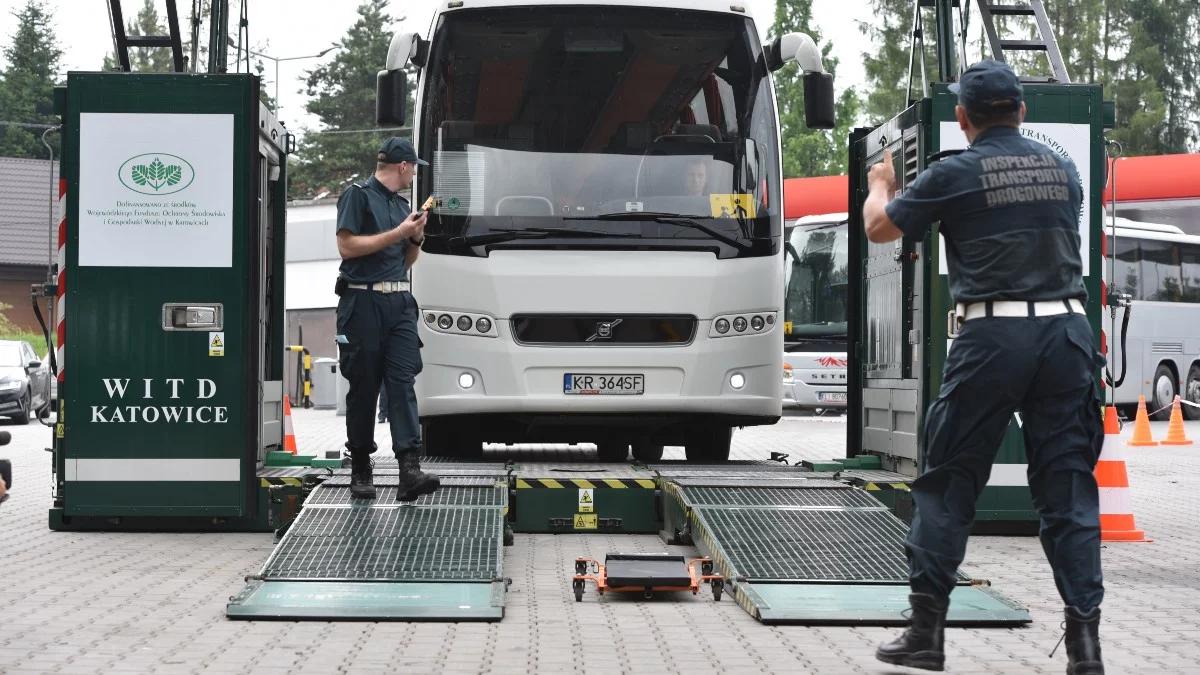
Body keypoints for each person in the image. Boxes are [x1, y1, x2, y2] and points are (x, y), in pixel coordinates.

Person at [862, 60, 1104, 674]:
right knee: (1067, 490)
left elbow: (878, 228)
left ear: (964, 119)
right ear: (1022, 110)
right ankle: (1085, 647)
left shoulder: (956, 172)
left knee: (947, 483)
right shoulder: (1064, 169)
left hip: (993, 336)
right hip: (1067, 333)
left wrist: (880, 182)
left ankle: (926, 635)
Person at [335, 137, 440, 502]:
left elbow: (405, 262)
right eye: (414, 168)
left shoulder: (402, 205)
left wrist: (416, 237)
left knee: (401, 382)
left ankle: (409, 470)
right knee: (363, 387)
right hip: (361, 303)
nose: (414, 174)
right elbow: (347, 247)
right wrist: (398, 232)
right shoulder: (358, 196)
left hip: (398, 303)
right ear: (403, 166)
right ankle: (362, 465)